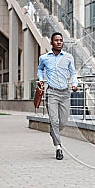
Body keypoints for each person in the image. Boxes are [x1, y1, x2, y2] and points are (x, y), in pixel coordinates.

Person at [37, 32, 78, 160]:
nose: (59, 42)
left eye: (61, 40)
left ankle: (53, 132)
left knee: (63, 121)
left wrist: (75, 84)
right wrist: (40, 79)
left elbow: (73, 73)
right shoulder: (44, 58)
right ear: (51, 42)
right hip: (52, 93)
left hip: (65, 93)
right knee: (54, 120)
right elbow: (40, 69)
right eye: (56, 40)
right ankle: (58, 147)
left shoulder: (68, 57)